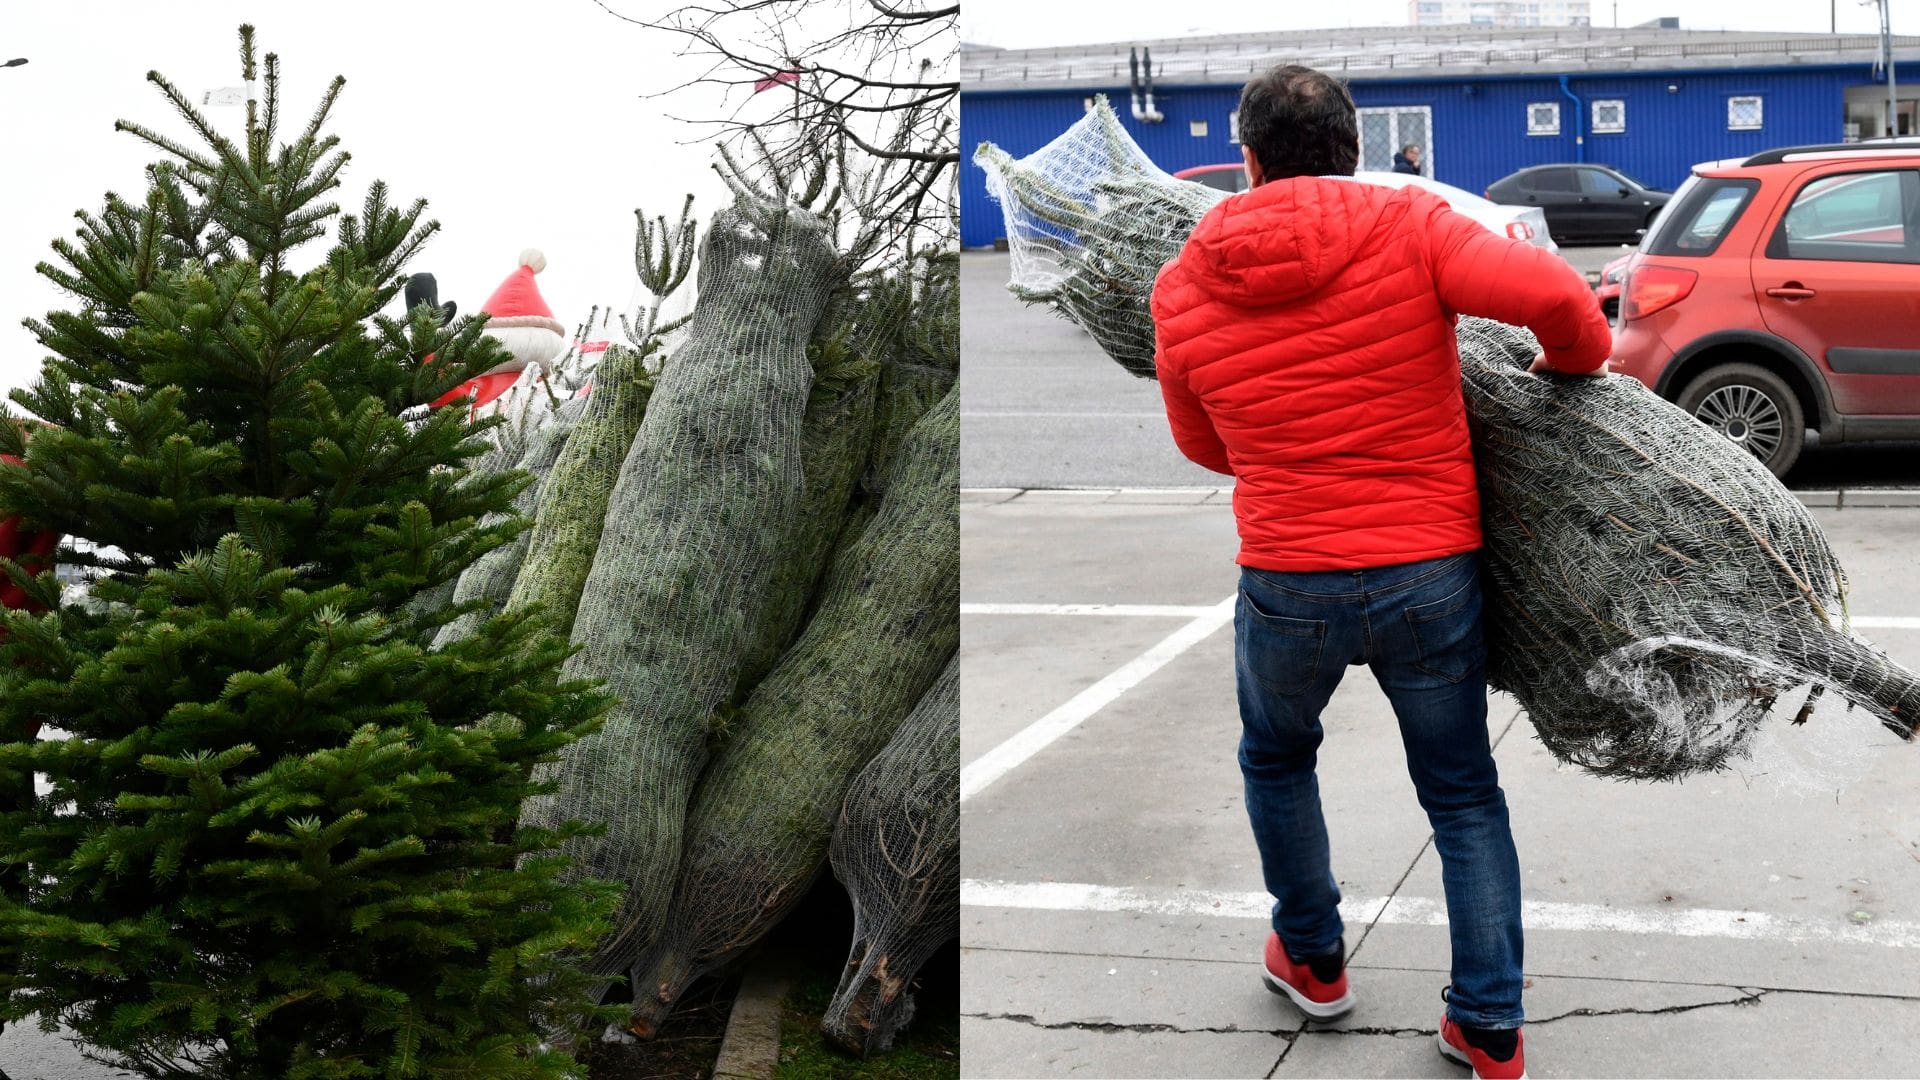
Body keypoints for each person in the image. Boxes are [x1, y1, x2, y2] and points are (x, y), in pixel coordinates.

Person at [1149, 63, 1608, 1080]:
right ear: (1353, 151)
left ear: (1250, 158)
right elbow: (1559, 296)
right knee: (1460, 795)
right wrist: (1576, 366)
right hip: (1427, 571)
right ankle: (1488, 1025)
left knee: (1276, 756)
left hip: (1287, 577)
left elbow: (1204, 445)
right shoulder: (1409, 228)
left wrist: (1282, 456)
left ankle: (1313, 961)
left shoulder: (1181, 284)